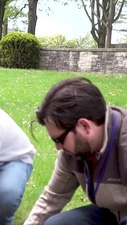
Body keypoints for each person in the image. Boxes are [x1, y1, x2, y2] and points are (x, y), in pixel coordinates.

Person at [24, 77, 127, 225]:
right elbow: (53, 197)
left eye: (59, 139)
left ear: (84, 126)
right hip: (110, 212)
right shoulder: (72, 152)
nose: (58, 147)